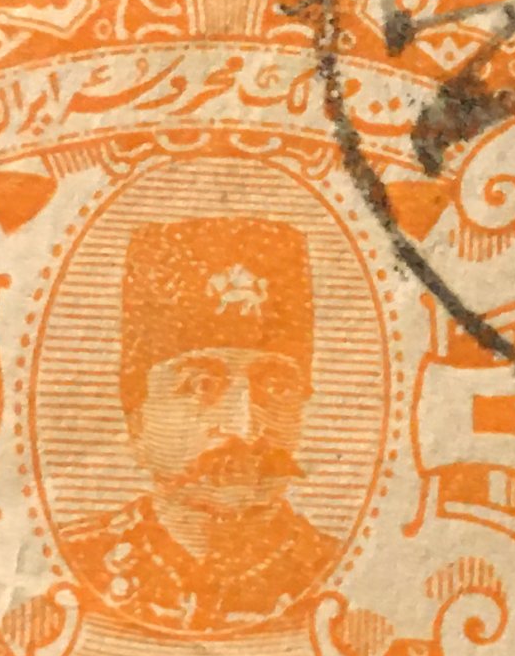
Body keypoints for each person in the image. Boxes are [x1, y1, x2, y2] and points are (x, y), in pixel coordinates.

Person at [61, 214, 345, 634]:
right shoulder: (73, 563)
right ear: (136, 421)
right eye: (201, 386)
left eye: (276, 387)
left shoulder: (343, 573)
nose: (243, 428)